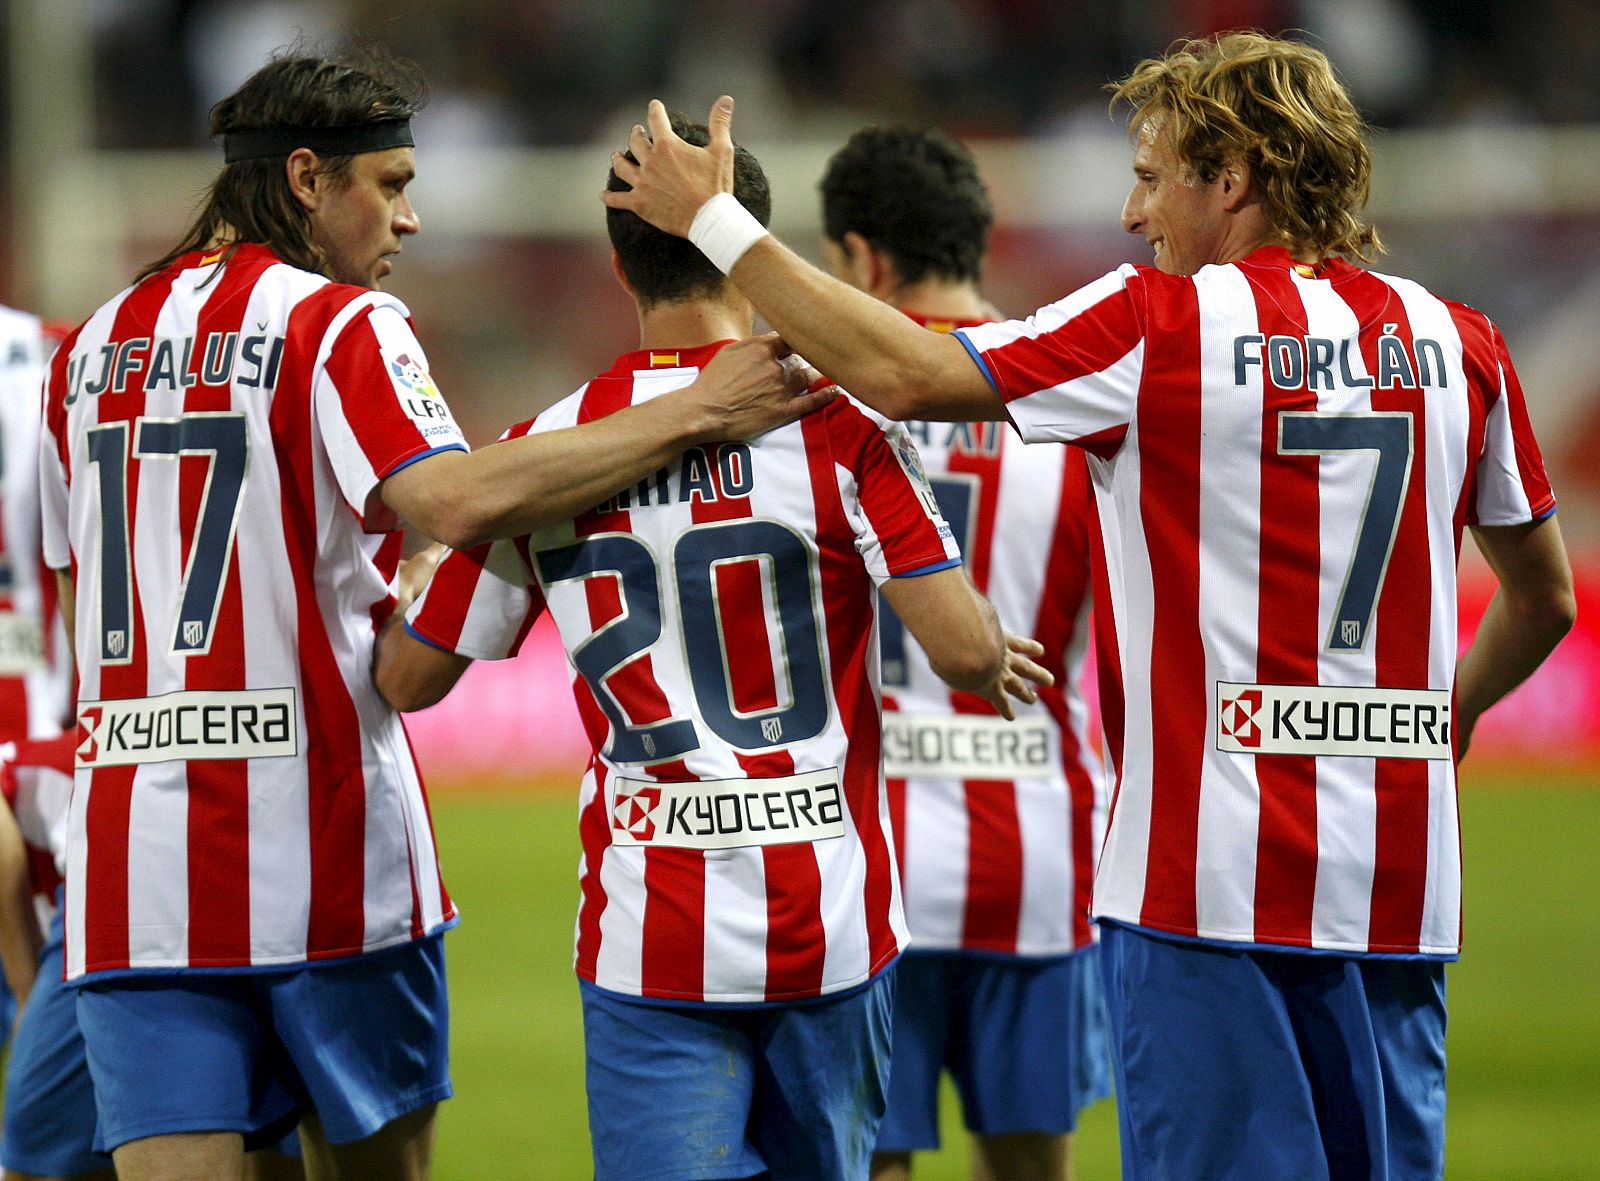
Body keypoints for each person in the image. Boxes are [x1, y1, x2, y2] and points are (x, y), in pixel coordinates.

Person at [603, 31, 1578, 1181]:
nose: (1132, 212)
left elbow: (911, 375)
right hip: (1403, 893)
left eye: (1154, 174)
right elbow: (1543, 598)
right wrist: (1444, 714)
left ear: (1235, 177)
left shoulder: (1166, 326)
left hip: (1208, 893)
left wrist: (721, 225)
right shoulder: (1463, 345)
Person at [38, 47, 827, 1181]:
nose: (407, 221)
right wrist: (699, 406)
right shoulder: (340, 324)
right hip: (325, 849)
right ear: (308, 177)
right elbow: (451, 500)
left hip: (133, 864)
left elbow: (78, 591)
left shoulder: (92, 344)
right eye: (394, 184)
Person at [375, 113, 1051, 1181]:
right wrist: (979, 642)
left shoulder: (538, 455)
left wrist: (398, 583)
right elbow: (966, 655)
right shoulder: (842, 428)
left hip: (652, 934)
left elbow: (409, 677)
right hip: (827, 923)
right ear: (752, 238)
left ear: (614, 263)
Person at [818, 126, 1109, 1181]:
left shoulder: (820, 404)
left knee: (869, 1159)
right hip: (1033, 850)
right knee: (1031, 1163)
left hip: (869, 850)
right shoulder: (1076, 404)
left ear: (864, 260)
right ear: (977, 240)